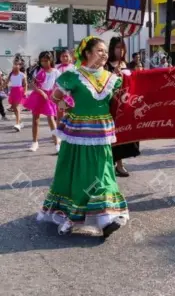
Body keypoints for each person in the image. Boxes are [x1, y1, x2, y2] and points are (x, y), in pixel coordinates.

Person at [37, 36, 129, 238]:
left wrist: (125, 88)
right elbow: (55, 98)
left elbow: (123, 102)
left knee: (103, 171)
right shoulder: (73, 75)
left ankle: (105, 218)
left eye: (106, 51)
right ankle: (73, 214)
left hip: (102, 133)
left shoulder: (112, 77)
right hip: (78, 133)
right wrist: (66, 104)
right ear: (87, 53)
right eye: (100, 50)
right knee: (79, 173)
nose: (105, 54)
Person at [104, 37, 140, 177]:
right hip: (111, 105)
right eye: (118, 47)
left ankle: (120, 164)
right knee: (113, 135)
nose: (121, 50)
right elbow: (102, 84)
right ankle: (113, 164)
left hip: (127, 104)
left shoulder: (129, 65)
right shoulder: (106, 65)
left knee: (124, 135)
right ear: (112, 48)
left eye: (123, 47)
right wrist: (113, 74)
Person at [23, 51, 60, 153]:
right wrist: (39, 91)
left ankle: (57, 144)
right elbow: (33, 84)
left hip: (50, 96)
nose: (44, 63)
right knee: (35, 119)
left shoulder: (56, 72)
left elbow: (59, 85)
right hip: (38, 96)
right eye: (42, 61)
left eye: (46, 60)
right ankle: (35, 142)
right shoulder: (38, 71)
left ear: (51, 60)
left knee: (51, 119)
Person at [55, 50, 76, 124]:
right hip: (60, 94)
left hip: (70, 94)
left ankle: (69, 131)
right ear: (60, 58)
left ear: (70, 58)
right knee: (60, 113)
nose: (65, 58)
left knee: (70, 113)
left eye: (66, 56)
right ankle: (59, 131)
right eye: (63, 56)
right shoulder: (56, 67)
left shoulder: (74, 68)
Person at [6, 60, 27, 130]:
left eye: (17, 64)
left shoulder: (22, 75)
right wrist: (2, 87)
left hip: (19, 91)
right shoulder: (11, 74)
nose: (15, 65)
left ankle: (17, 124)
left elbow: (25, 84)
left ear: (20, 66)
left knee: (17, 108)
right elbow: (6, 82)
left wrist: (25, 92)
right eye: (14, 64)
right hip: (13, 92)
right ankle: (20, 122)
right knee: (15, 108)